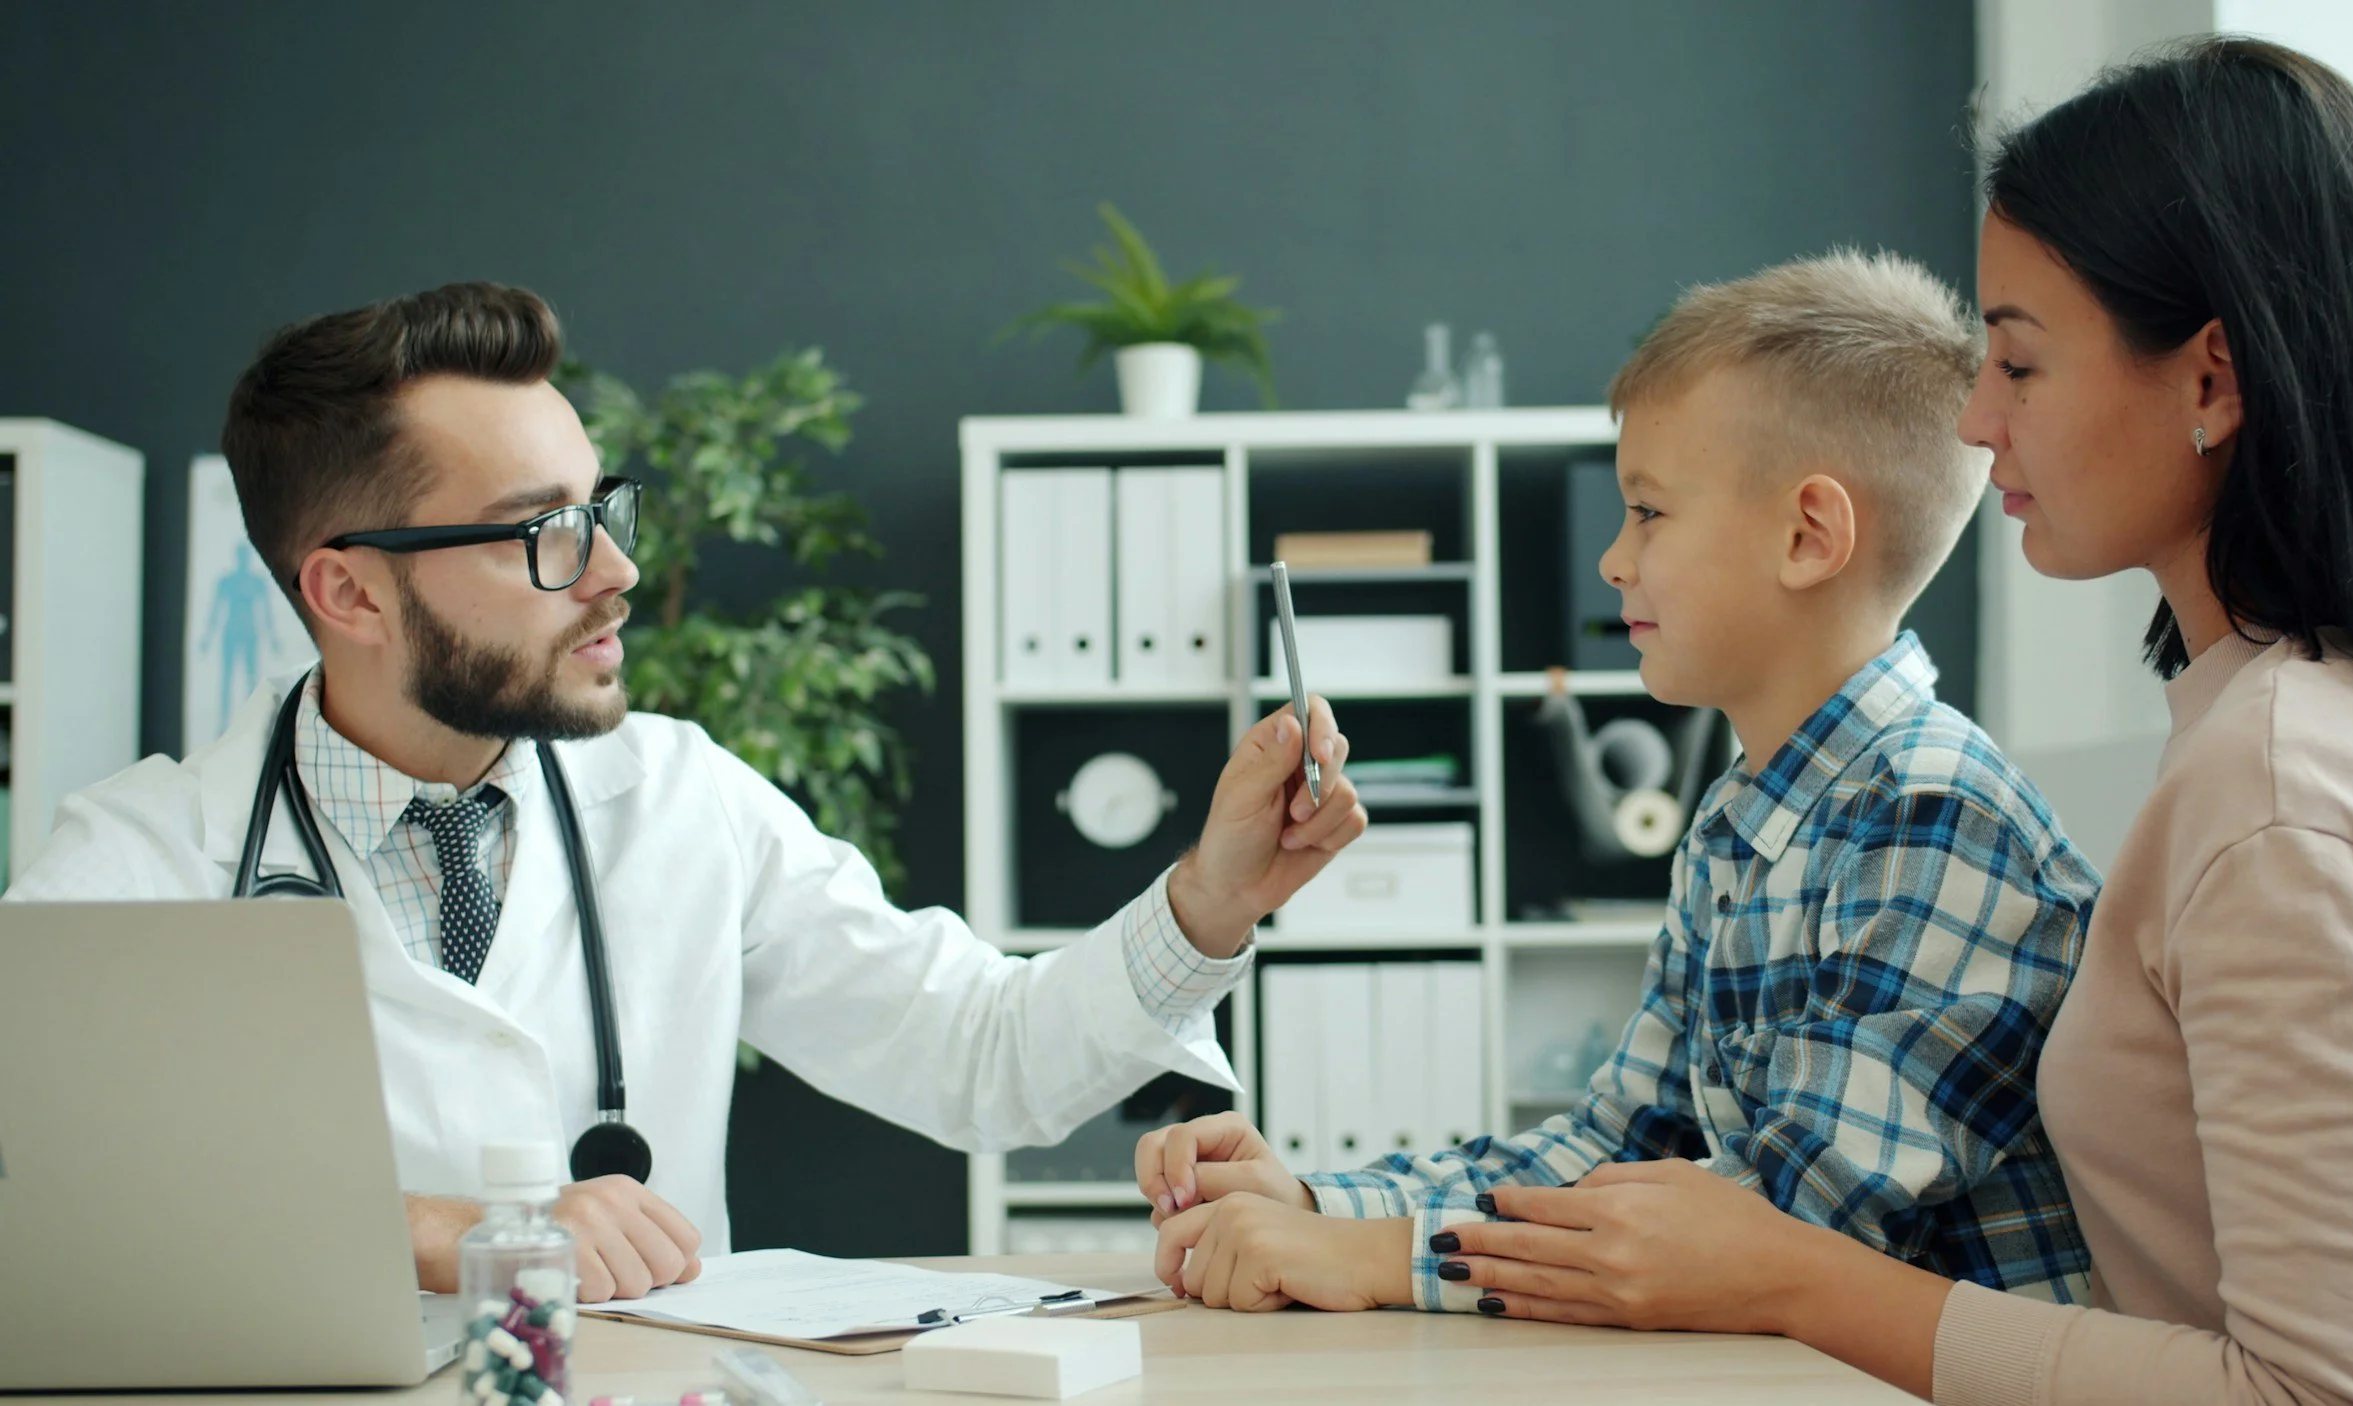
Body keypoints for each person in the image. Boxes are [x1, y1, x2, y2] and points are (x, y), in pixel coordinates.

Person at [1400, 39, 2353, 1405]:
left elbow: (2336, 1398)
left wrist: (1787, 1273)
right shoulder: (2279, 742)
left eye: (2021, 365)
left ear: (2211, 380)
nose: (1978, 418)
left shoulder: (2287, 797)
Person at [8, 282, 1370, 1303]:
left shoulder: (678, 798)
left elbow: (983, 1054)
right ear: (349, 588)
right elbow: (40, 1197)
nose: (609, 568)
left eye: (606, 506)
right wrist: (436, 1227)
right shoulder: (141, 862)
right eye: (544, 529)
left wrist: (1208, 900)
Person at [1139, 250, 2100, 1315]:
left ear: (1806, 535)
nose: (1612, 560)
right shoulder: (1743, 820)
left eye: (1646, 512)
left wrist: (1374, 1260)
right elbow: (1620, 1143)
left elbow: (1775, 1228)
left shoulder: (1934, 820)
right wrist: (1321, 1202)